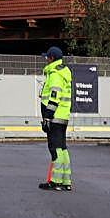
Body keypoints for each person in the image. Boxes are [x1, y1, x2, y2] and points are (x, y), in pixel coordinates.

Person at [38, 46, 73, 191]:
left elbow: (54, 96)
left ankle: (56, 181)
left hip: (55, 116)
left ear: (51, 58)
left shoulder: (55, 74)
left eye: (47, 57)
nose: (46, 59)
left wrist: (47, 117)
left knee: (55, 149)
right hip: (63, 116)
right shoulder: (63, 72)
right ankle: (66, 181)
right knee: (62, 148)